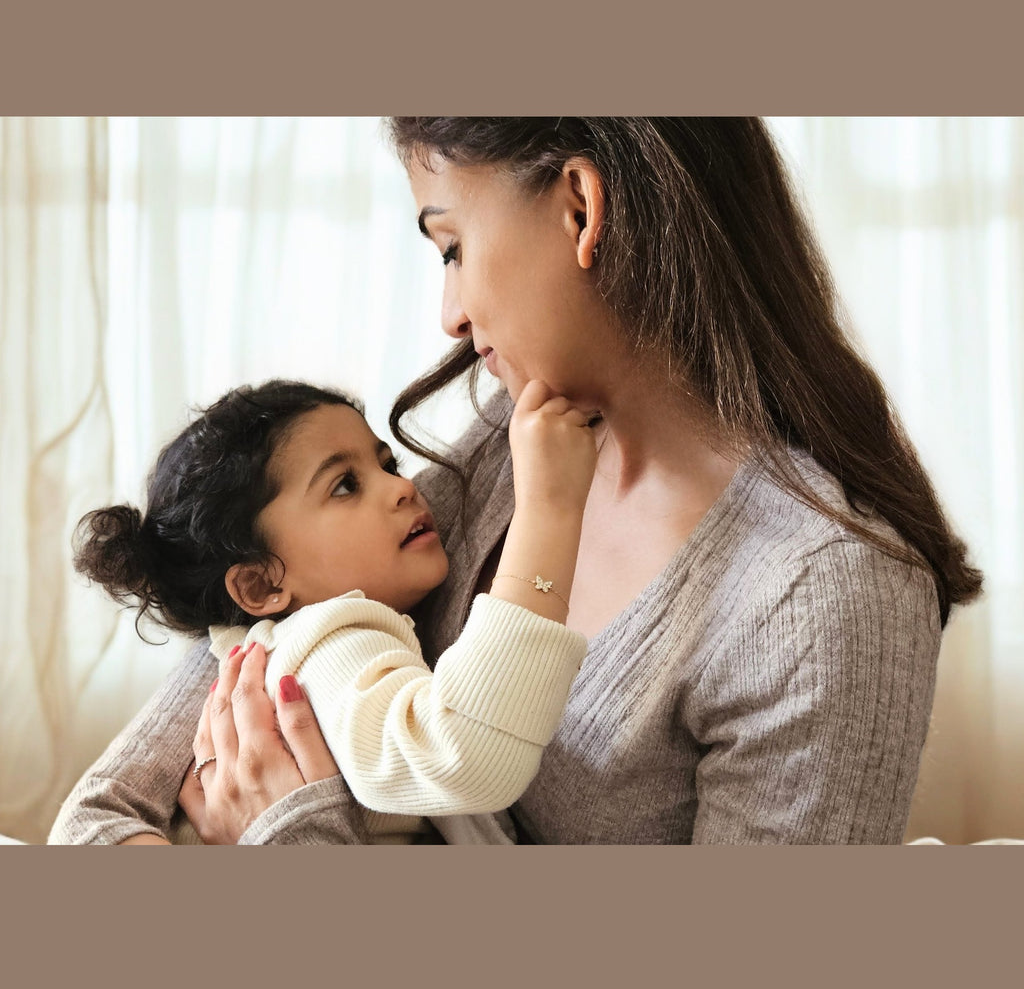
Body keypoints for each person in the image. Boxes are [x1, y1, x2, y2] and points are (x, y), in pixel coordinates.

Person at [54, 117, 984, 845]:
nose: (451, 315)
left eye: (452, 245)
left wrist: (290, 847)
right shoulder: (511, 441)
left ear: (579, 204)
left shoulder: (824, 596)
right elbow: (100, 822)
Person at [49, 377, 596, 844]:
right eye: (345, 485)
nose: (404, 487)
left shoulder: (277, 646)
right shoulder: (333, 639)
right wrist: (549, 512)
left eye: (387, 464)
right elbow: (461, 755)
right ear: (261, 586)